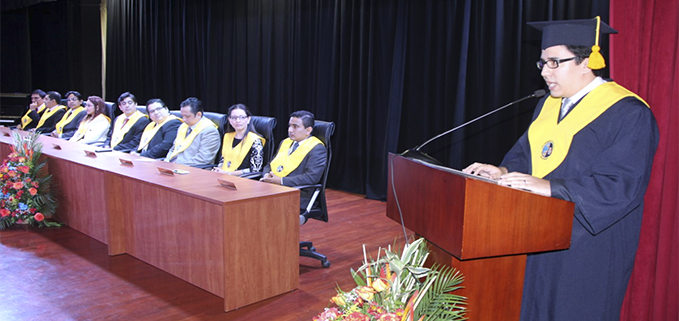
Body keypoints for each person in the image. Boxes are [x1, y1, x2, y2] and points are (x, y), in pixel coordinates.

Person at [462, 17, 658, 321]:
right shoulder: (549, 105)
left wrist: (552, 188)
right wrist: (502, 172)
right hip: (539, 232)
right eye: (542, 63)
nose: (544, 72)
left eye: (555, 62)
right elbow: (527, 156)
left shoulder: (628, 113)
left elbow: (621, 186)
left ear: (587, 62)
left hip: (589, 246)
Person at [260, 110, 326, 212]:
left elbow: (311, 178)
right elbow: (270, 164)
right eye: (289, 126)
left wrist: (281, 181)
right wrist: (266, 176)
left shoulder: (317, 148)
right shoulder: (285, 142)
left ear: (308, 130)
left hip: (296, 193)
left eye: (295, 127)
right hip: (272, 188)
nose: (290, 130)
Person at [164, 97, 220, 167]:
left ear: (198, 115)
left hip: (192, 169)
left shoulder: (209, 131)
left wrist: (178, 165)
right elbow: (174, 148)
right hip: (174, 166)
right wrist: (166, 161)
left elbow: (204, 159)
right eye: (182, 116)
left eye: (187, 116)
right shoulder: (183, 126)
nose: (183, 119)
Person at [213, 104, 265, 176]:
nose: (238, 120)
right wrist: (218, 170)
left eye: (242, 117)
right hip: (223, 177)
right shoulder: (227, 136)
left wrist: (229, 173)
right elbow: (223, 160)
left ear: (248, 119)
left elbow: (255, 170)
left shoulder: (255, 141)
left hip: (243, 180)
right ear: (229, 120)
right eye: (234, 117)